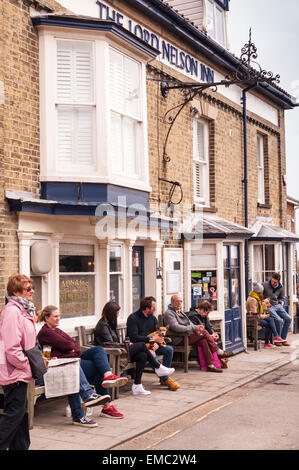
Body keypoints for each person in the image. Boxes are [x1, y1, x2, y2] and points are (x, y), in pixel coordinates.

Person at [37, 305, 126, 420]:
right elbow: (69, 345)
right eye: (55, 316)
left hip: (73, 358)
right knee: (97, 369)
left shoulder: (57, 330)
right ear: (47, 318)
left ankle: (108, 376)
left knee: (98, 350)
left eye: (59, 316)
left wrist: (72, 350)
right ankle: (107, 406)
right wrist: (72, 351)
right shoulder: (45, 333)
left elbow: (74, 345)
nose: (58, 318)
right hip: (65, 363)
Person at [94, 301, 175, 395]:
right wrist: (126, 346)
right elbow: (110, 345)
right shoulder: (103, 326)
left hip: (120, 351)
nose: (118, 315)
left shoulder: (109, 324)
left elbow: (115, 343)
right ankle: (158, 367)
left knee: (143, 355)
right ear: (110, 313)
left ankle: (137, 385)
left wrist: (127, 344)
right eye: (117, 313)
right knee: (141, 345)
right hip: (113, 354)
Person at [0, 274, 37, 449]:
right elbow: (11, 348)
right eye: (27, 288)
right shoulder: (12, 312)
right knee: (14, 414)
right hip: (14, 371)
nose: (32, 291)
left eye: (32, 287)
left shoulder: (23, 310)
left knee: (21, 414)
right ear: (15, 291)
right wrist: (26, 364)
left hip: (19, 371)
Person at [164, 294, 233, 373]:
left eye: (180, 301)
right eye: (177, 301)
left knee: (203, 341)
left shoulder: (180, 312)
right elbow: (176, 327)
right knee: (203, 332)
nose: (179, 303)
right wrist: (194, 328)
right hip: (178, 338)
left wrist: (197, 328)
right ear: (172, 302)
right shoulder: (169, 313)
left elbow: (190, 324)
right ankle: (218, 351)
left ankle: (210, 365)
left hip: (187, 336)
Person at [127, 296, 180, 391]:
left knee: (169, 349)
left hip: (152, 345)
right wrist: (151, 341)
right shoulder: (133, 318)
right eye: (153, 308)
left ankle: (163, 376)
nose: (155, 309)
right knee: (151, 353)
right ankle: (166, 379)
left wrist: (155, 343)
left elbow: (156, 334)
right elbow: (133, 338)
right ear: (146, 308)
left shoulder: (153, 318)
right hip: (139, 347)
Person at [246, 282, 283, 348]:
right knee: (270, 324)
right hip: (252, 320)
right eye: (262, 292)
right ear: (258, 292)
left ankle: (275, 337)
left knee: (271, 320)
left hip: (256, 318)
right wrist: (265, 316)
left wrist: (264, 301)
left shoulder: (256, 298)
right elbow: (255, 315)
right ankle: (273, 338)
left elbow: (259, 308)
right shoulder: (253, 300)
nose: (262, 293)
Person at [263, 273, 292, 346]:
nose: (273, 283)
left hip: (277, 305)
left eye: (275, 282)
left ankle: (283, 339)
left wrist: (280, 303)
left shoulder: (281, 287)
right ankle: (277, 339)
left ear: (278, 281)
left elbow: (282, 298)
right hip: (268, 306)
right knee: (279, 320)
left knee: (288, 318)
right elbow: (259, 295)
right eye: (272, 281)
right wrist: (264, 300)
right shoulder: (264, 285)